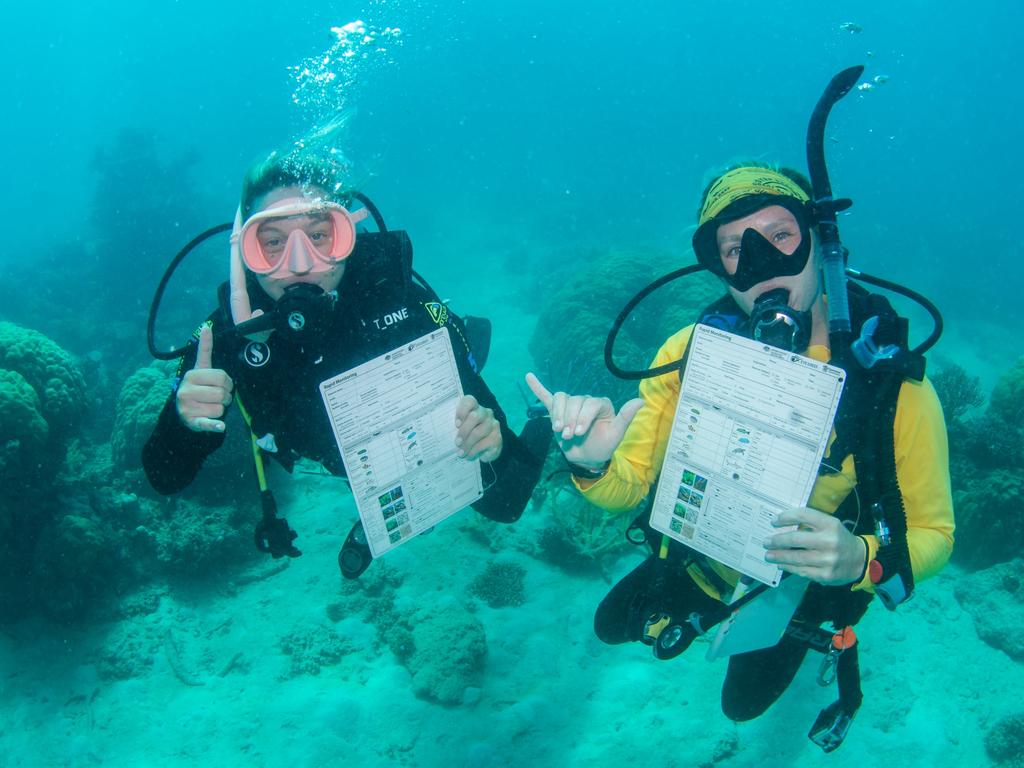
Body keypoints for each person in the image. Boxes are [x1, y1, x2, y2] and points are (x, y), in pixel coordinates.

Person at [526, 162, 954, 746]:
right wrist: (592, 460)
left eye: (780, 236)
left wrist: (861, 559)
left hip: (796, 591)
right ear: (719, 267)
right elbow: (623, 488)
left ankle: (805, 645)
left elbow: (935, 531)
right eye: (734, 249)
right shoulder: (688, 353)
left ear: (820, 242)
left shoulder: (893, 388)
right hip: (705, 555)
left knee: (741, 707)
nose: (758, 265)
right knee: (609, 627)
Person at [143, 146, 550, 577]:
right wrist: (183, 422)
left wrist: (496, 443)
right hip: (338, 455)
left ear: (346, 234)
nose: (299, 266)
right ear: (244, 250)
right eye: (273, 243)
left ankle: (537, 412)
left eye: (319, 236)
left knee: (505, 506)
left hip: (414, 429)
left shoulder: (400, 306)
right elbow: (163, 477)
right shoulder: (225, 338)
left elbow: (511, 481)